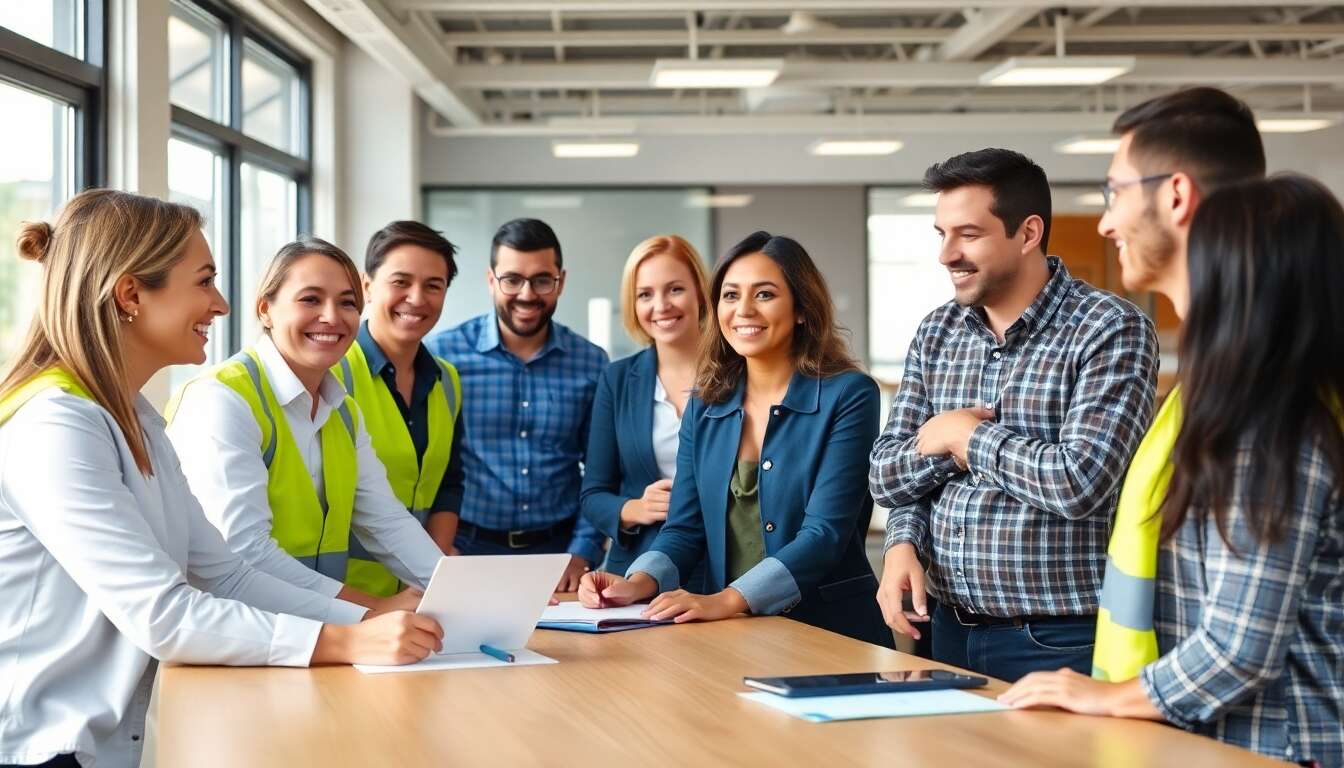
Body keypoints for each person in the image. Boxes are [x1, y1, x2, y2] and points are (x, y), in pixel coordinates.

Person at [0, 190, 441, 768]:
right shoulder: (56, 425)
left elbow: (226, 575)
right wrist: (349, 638)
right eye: (204, 281)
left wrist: (375, 623)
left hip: (93, 745)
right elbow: (163, 613)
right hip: (36, 749)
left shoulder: (136, 418)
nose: (221, 304)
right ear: (131, 294)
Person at [1004, 92, 1342, 768]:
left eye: (1114, 191)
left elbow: (1241, 644)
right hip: (1219, 738)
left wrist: (1110, 696)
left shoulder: (1267, 410)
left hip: (1275, 745)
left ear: (1178, 196)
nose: (1104, 221)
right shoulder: (1212, 391)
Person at [869, 148, 1159, 681]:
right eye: (942, 234)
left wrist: (967, 438)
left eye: (968, 234)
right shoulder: (937, 332)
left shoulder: (1110, 328)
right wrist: (903, 537)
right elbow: (886, 475)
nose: (947, 254)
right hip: (945, 628)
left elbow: (1080, 482)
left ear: (1027, 233)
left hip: (1056, 640)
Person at [577, 231, 891, 647]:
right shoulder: (705, 405)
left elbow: (825, 534)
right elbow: (685, 528)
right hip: (736, 636)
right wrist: (637, 582)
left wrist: (726, 600)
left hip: (830, 632)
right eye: (730, 295)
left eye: (764, 295)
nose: (743, 310)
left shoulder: (850, 394)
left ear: (801, 308)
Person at [167, 238, 445, 612]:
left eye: (347, 303)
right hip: (235, 631)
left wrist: (458, 595)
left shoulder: (343, 411)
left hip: (310, 629)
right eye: (310, 299)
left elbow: (387, 521)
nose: (332, 317)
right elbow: (243, 551)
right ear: (265, 309)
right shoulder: (222, 399)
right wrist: (370, 611)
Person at [426, 219, 607, 591]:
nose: (527, 294)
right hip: (465, 550)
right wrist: (436, 546)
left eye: (542, 280)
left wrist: (582, 551)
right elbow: (425, 464)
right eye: (512, 280)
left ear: (561, 281)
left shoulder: (591, 362)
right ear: (491, 280)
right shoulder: (443, 355)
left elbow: (602, 471)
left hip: (560, 554)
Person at [332, 221, 465, 597]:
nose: (417, 298)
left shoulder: (447, 380)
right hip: (342, 596)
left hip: (418, 592)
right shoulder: (331, 373)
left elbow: (449, 483)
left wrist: (434, 578)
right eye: (401, 282)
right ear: (367, 286)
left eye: (433, 286)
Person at [580, 235, 709, 588]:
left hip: (725, 570)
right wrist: (634, 508)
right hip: (636, 572)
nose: (661, 305)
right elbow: (593, 494)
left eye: (675, 289)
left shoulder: (738, 374)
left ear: (700, 292)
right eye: (645, 295)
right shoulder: (618, 379)